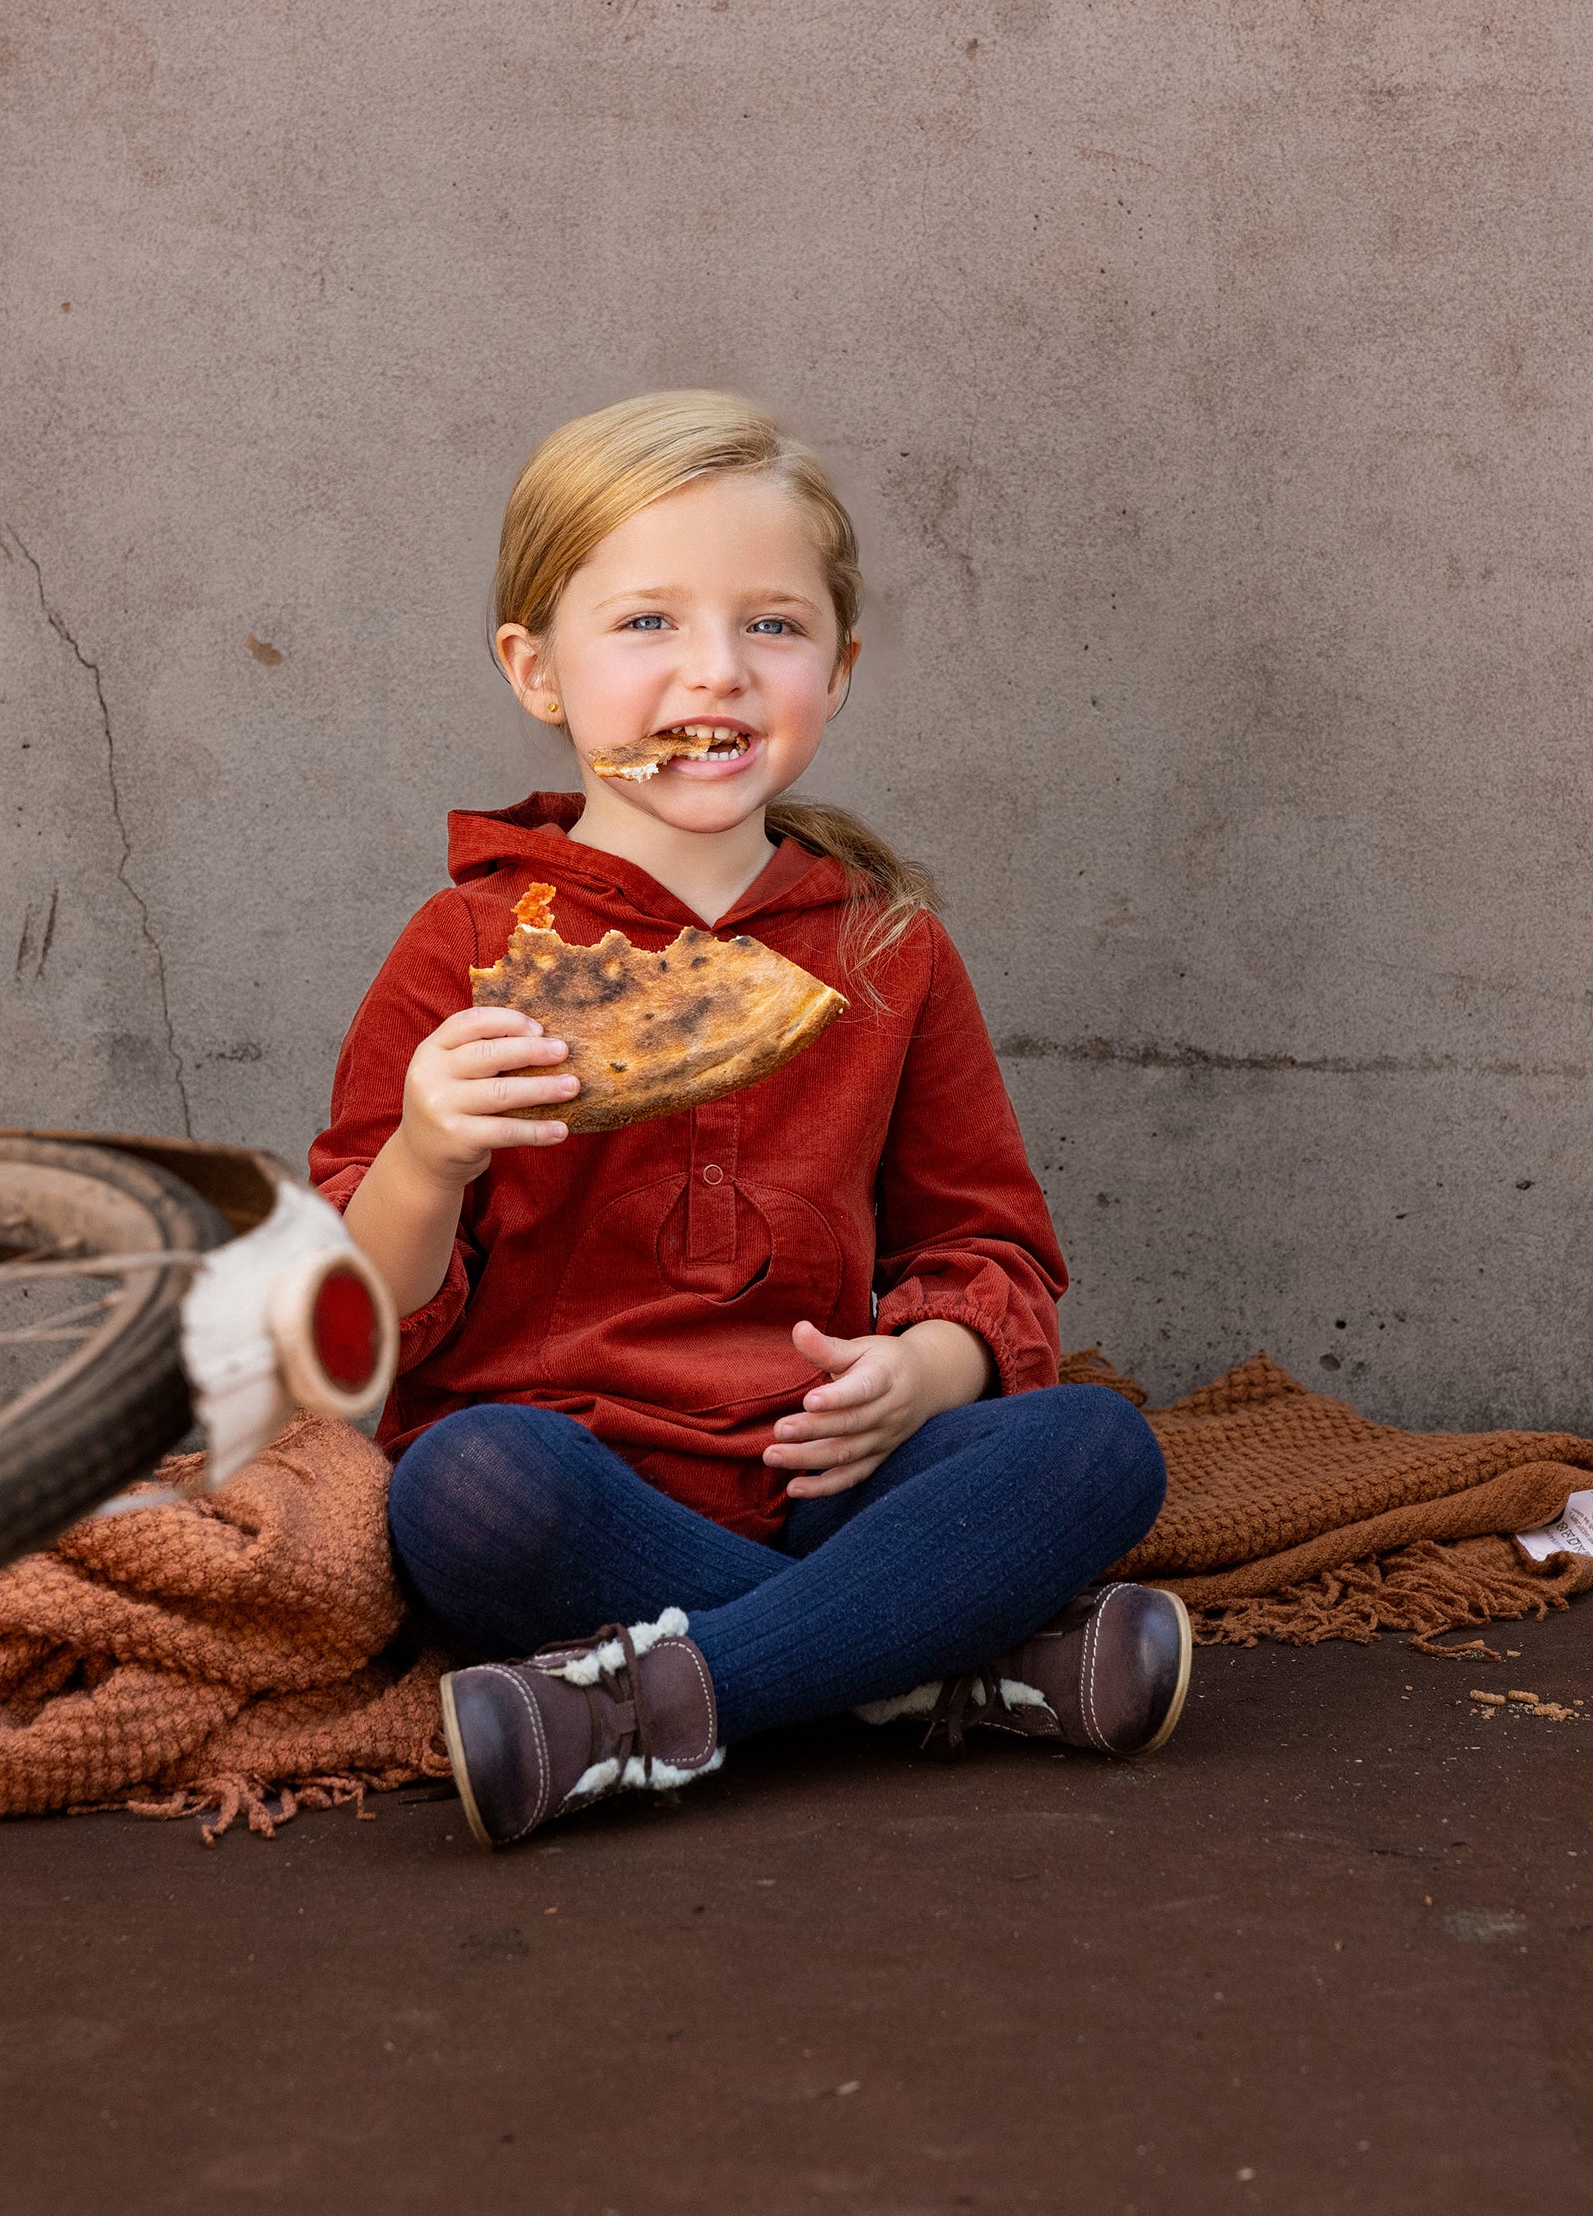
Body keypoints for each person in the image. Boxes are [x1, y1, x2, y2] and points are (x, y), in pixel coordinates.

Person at [310, 390, 1184, 1850]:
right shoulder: (463, 946)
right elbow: (357, 1324)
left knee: (1098, 1446)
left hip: (827, 1481)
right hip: (571, 1484)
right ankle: (919, 1665)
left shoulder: (885, 948)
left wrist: (931, 1365)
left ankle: (661, 1700)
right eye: (645, 623)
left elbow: (990, 1241)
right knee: (461, 1492)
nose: (711, 673)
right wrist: (424, 1155)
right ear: (536, 668)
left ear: (835, 671)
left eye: (769, 627)